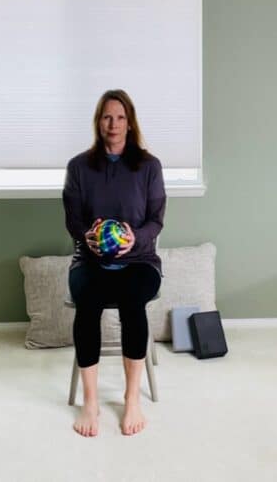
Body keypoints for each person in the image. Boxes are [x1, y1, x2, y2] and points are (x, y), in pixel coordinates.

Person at [62, 89, 167, 437]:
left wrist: (136, 238)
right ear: (98, 121)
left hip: (140, 262)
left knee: (132, 302)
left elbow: (156, 220)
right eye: (107, 116)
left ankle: (131, 398)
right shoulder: (78, 167)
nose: (114, 124)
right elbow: (73, 220)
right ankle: (91, 402)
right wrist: (86, 237)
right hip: (89, 262)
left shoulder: (149, 166)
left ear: (130, 121)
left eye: (120, 117)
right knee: (87, 304)